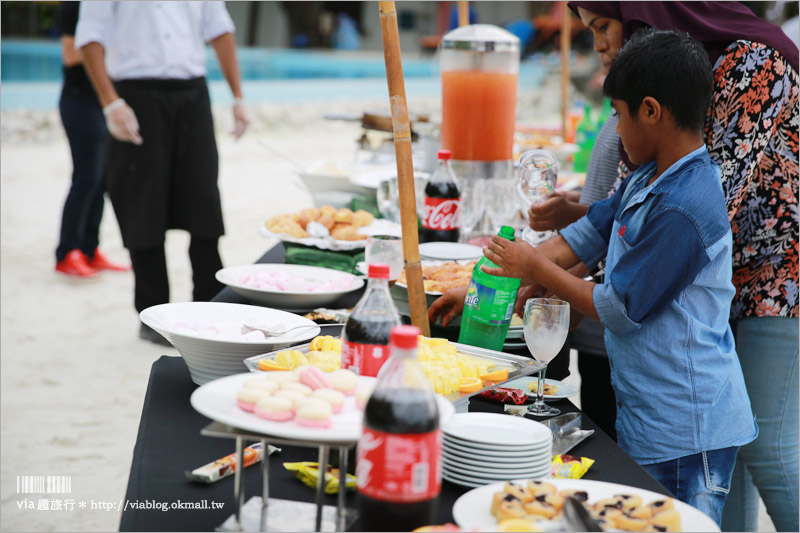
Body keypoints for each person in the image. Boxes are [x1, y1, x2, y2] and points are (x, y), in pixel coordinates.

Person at [433, 28, 759, 524]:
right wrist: (490, 290)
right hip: (649, 415)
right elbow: (581, 240)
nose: (616, 129)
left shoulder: (687, 206)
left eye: (618, 115)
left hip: (687, 429)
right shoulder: (647, 177)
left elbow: (621, 310)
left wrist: (535, 265)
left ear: (651, 111)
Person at [565, 4, 798, 531]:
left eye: (603, 26)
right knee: (722, 473)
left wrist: (544, 270)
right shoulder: (659, 145)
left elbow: (673, 232)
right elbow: (615, 214)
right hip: (696, 308)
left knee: (769, 450)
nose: (601, 43)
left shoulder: (751, 67)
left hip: (774, 279)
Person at [75, 2, 250, 345]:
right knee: (141, 201)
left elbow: (220, 29)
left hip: (192, 94)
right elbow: (89, 35)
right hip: (134, 93)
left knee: (202, 195)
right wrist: (110, 102)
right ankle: (153, 313)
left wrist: (238, 95)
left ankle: (212, 302)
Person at [54, 1, 129, 278]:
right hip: (79, 103)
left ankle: (89, 249)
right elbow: (72, 54)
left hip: (103, 105)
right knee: (86, 177)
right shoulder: (74, 6)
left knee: (103, 180)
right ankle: (67, 253)